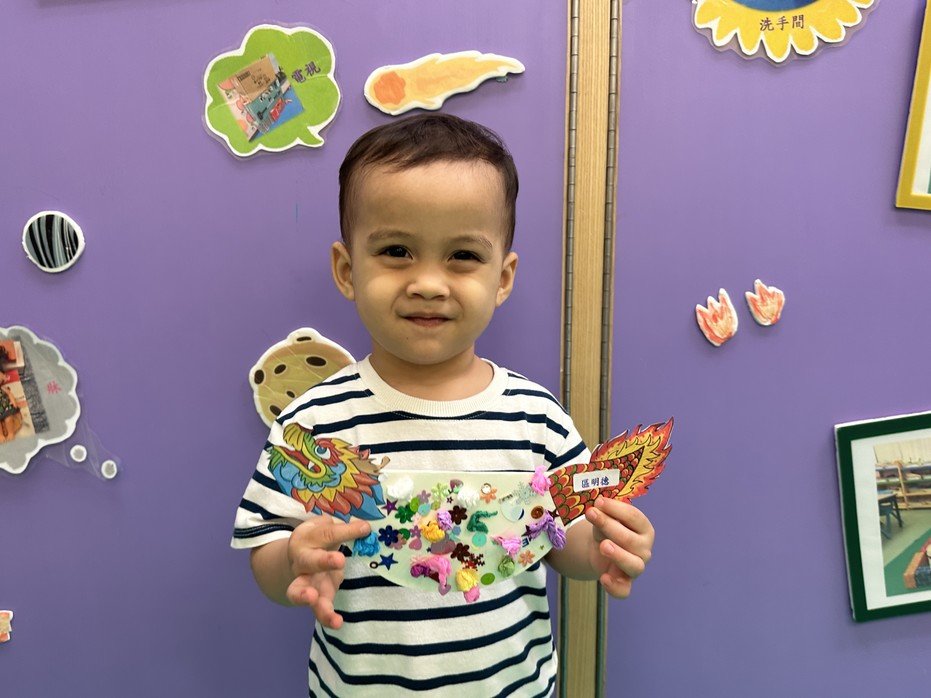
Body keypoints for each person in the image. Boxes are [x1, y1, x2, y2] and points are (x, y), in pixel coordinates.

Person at [232, 113, 655, 697]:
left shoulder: (536, 418)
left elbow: (564, 539)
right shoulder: (314, 425)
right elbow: (265, 547)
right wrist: (292, 563)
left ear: (502, 278)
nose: (429, 283)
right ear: (347, 270)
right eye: (397, 250)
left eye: (462, 256)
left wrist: (605, 547)